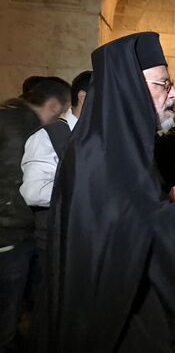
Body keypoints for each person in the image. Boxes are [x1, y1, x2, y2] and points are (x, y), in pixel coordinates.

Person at [37, 32, 175, 353]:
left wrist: (166, 203)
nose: (172, 95)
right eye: (162, 84)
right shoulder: (107, 152)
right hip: (117, 324)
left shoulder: (112, 141)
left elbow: (129, 222)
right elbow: (148, 240)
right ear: (129, 88)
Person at [0, 77, 71, 353]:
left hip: (14, 232)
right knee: (9, 308)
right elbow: (20, 186)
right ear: (53, 104)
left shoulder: (9, 114)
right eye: (63, 109)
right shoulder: (27, 129)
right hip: (12, 233)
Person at [20, 71, 91, 269]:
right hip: (58, 243)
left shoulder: (100, 135)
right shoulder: (47, 136)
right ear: (83, 97)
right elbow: (34, 192)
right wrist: (89, 191)